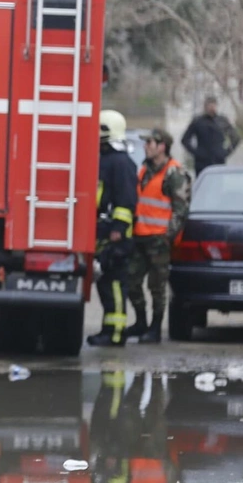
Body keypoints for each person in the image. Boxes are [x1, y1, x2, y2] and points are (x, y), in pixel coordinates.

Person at [127, 129, 190, 345]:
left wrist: (167, 236)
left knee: (157, 286)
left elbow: (180, 210)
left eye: (150, 142)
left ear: (162, 146)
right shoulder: (145, 170)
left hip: (158, 240)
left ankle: (155, 328)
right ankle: (141, 322)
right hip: (140, 236)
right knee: (132, 281)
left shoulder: (175, 173)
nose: (146, 146)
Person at [87, 110, 138, 348]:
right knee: (105, 284)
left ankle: (117, 334)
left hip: (117, 236)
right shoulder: (105, 158)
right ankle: (108, 330)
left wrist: (118, 228)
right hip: (105, 232)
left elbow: (126, 201)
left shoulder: (121, 162)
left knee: (115, 285)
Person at [180, 95, 240, 176]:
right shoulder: (198, 121)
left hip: (218, 161)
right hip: (202, 163)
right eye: (209, 105)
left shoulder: (222, 121)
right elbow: (185, 140)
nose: (212, 107)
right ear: (205, 107)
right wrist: (196, 153)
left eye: (213, 105)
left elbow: (235, 138)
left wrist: (225, 152)